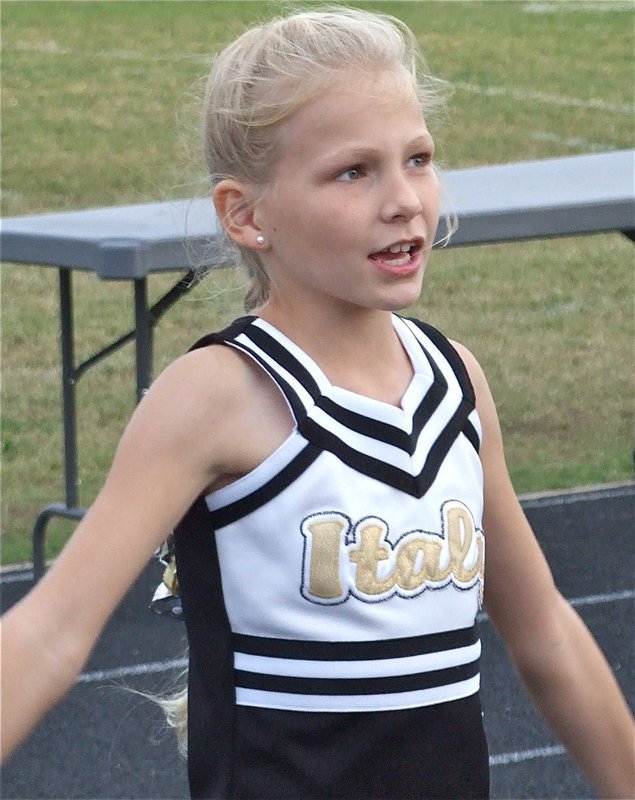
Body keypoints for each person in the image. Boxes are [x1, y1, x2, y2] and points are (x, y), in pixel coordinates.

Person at [1, 7, 633, 799]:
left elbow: (544, 634)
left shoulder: (454, 383)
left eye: (417, 158)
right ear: (245, 214)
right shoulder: (220, 395)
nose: (403, 198)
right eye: (353, 172)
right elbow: (51, 632)